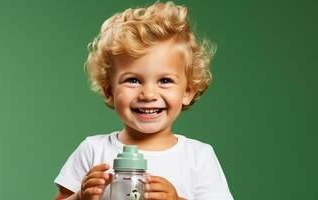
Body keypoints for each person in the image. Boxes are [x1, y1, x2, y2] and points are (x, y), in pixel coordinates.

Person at [54, 1, 233, 200]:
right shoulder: (93, 150)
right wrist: (79, 197)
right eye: (133, 80)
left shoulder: (198, 157)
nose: (148, 94)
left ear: (187, 92)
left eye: (165, 81)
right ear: (109, 91)